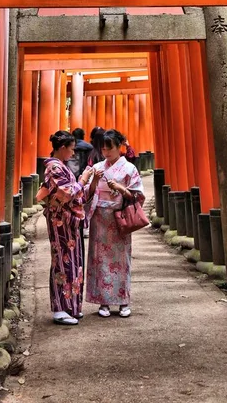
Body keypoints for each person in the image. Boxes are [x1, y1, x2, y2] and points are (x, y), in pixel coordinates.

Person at [37, 130, 102, 325]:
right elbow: (68, 194)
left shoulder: (61, 167)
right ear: (63, 148)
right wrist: (83, 179)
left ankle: (71, 306)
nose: (73, 153)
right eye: (71, 149)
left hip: (69, 222)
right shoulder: (54, 168)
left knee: (73, 262)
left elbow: (79, 196)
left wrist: (93, 181)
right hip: (60, 222)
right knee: (62, 262)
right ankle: (60, 308)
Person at [86, 129, 145, 318]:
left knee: (121, 261)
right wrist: (94, 180)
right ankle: (103, 302)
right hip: (99, 218)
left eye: (109, 148)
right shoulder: (97, 167)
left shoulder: (129, 169)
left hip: (118, 218)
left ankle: (123, 301)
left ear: (119, 147)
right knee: (99, 260)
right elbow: (87, 193)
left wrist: (120, 188)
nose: (106, 152)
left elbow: (137, 195)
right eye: (103, 149)